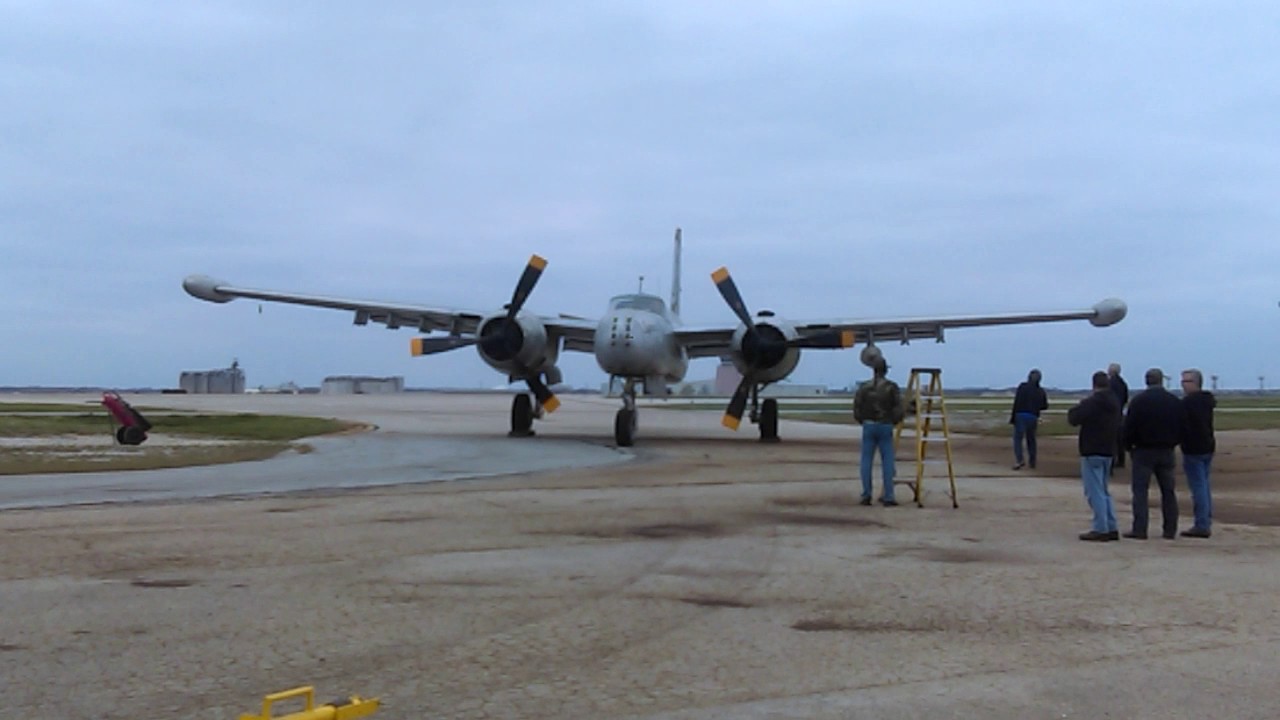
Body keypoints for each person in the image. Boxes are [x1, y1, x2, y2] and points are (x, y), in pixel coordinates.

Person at [1122, 368, 1183, 539]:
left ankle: (1140, 528)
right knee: (1168, 492)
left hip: (1143, 451)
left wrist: (1128, 446)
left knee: (1140, 491)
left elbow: (1129, 426)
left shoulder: (1139, 401)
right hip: (1166, 450)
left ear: (1146, 380)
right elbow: (1182, 425)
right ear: (1161, 380)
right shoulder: (1173, 401)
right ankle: (1170, 529)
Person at [1067, 371, 1122, 541]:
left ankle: (1101, 527)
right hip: (1108, 449)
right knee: (1104, 490)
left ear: (1094, 385)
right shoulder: (1114, 402)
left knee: (1094, 491)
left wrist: (1080, 405)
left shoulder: (1093, 402)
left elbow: (1074, 418)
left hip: (1092, 449)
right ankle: (1111, 525)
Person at [853, 357, 905, 506]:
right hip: (885, 425)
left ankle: (866, 494)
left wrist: (863, 420)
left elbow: (857, 407)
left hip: (868, 425)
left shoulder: (864, 387)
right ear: (885, 370)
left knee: (866, 461)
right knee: (888, 461)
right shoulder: (892, 387)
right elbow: (898, 408)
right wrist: (893, 421)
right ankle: (888, 496)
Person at [1179, 369, 1216, 538]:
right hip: (1207, 446)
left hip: (1195, 448)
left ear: (1195, 383)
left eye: (1186, 381)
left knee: (1199, 487)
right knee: (1204, 485)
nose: (1183, 385)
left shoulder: (1189, 403)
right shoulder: (1206, 401)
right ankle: (1205, 520)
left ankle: (1202, 524)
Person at [1009, 369, 1048, 470]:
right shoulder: (1040, 391)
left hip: (1020, 415)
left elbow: (1016, 403)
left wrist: (1013, 418)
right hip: (1033, 416)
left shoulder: (1022, 387)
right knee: (1031, 440)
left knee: (1018, 439)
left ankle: (1019, 460)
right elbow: (1045, 406)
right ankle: (1032, 461)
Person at [1108, 363, 1130, 469]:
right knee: (1119, 438)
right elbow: (1125, 398)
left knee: (1111, 439)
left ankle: (1111, 462)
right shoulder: (1123, 383)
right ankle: (1121, 460)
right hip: (1119, 412)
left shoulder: (1110, 383)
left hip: (1111, 414)